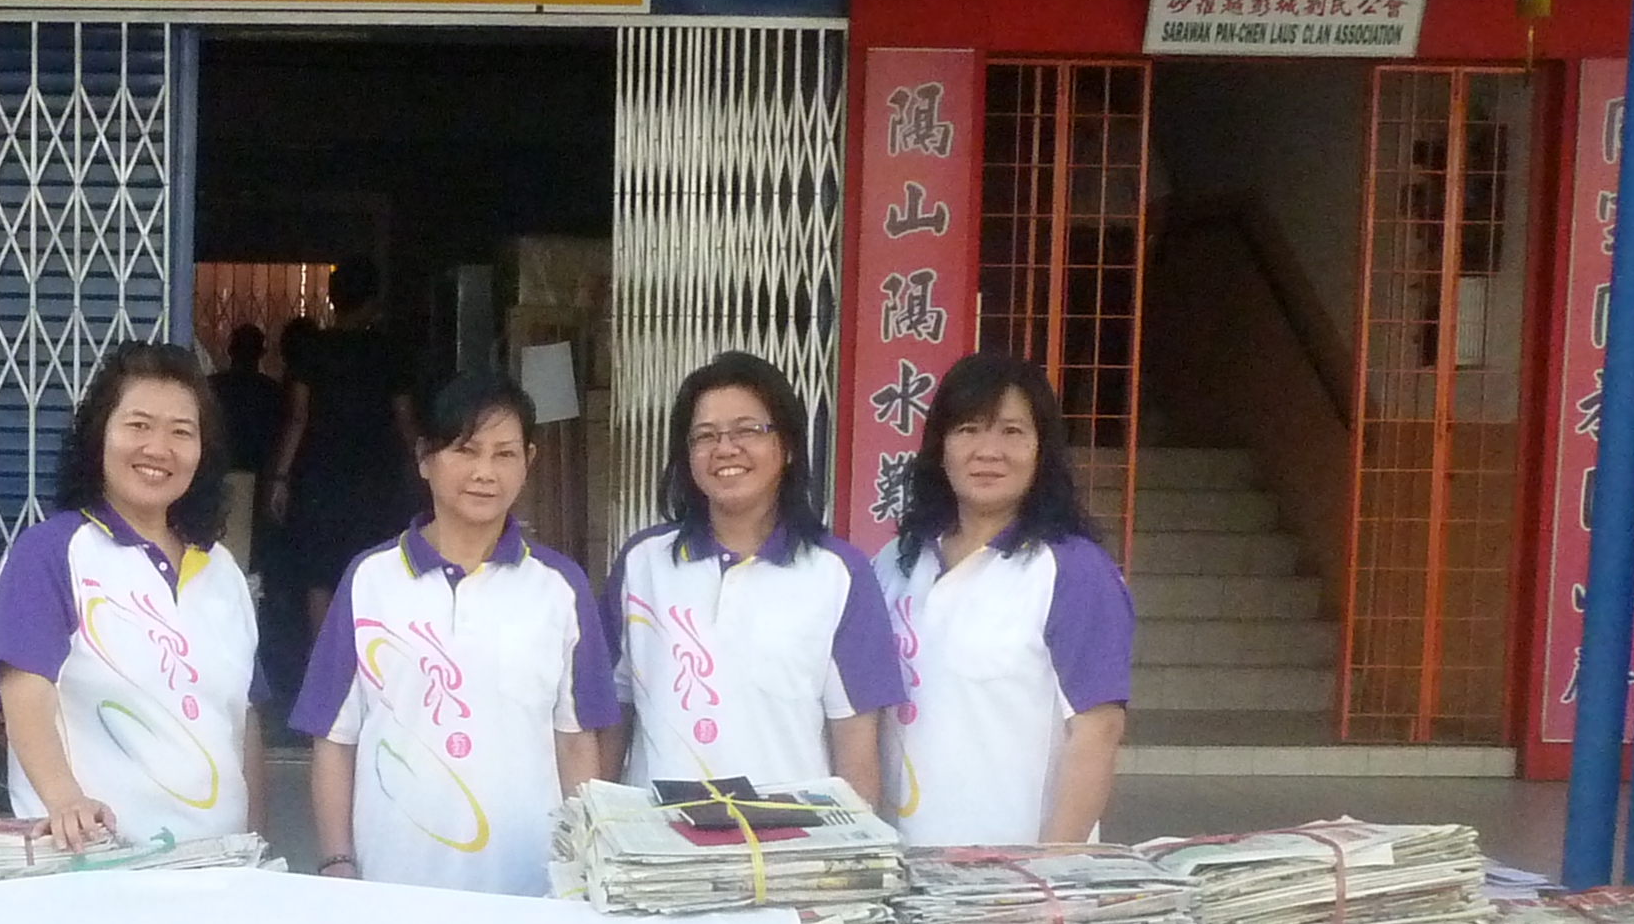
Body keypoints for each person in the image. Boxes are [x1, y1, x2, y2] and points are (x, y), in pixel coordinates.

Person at [298, 372, 617, 895]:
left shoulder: (560, 587)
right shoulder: (370, 579)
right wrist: (337, 862)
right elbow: (334, 739)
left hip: (529, 891)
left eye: (505, 454)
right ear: (425, 457)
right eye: (466, 451)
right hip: (390, 887)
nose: (484, 473)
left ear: (529, 461)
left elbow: (577, 742)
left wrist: (584, 870)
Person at [0, 339, 262, 851]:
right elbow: (24, 691)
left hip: (218, 870)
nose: (158, 448)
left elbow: (242, 722)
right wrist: (64, 799)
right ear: (99, 435)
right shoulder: (50, 552)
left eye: (181, 431)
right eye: (138, 425)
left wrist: (256, 843)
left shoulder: (223, 571)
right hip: (93, 864)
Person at [875, 349, 1137, 847]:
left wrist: (1050, 868)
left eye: (1012, 432)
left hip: (1012, 875)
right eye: (968, 429)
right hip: (902, 865)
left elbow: (1098, 731)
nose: (988, 451)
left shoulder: (1073, 571)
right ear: (940, 447)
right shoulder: (896, 562)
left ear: (1042, 450)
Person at [613, 350, 904, 798]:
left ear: (787, 446)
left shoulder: (839, 574)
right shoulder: (642, 564)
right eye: (704, 436)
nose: (725, 449)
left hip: (792, 836)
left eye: (747, 430)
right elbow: (612, 716)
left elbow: (858, 754)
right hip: (659, 836)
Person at [268, 262, 418, 650]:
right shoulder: (388, 351)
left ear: (334, 299)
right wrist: (420, 468)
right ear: (371, 303)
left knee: (319, 575)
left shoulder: (312, 349)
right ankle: (370, 658)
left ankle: (323, 662)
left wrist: (281, 479)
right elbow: (405, 419)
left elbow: (298, 418)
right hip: (375, 479)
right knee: (374, 566)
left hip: (319, 477)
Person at [210, 322, 284, 576]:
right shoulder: (272, 391)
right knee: (255, 555)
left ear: (230, 350)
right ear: (262, 353)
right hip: (260, 476)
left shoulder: (211, 387)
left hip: (218, 473)